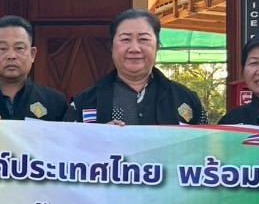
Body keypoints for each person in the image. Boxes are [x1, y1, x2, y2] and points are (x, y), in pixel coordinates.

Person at [64, 9, 208, 125]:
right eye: (125, 39)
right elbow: (64, 148)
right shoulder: (83, 103)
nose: (134, 48)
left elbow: (204, 147)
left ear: (157, 46)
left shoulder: (186, 99)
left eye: (143, 39)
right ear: (112, 47)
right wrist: (100, 139)